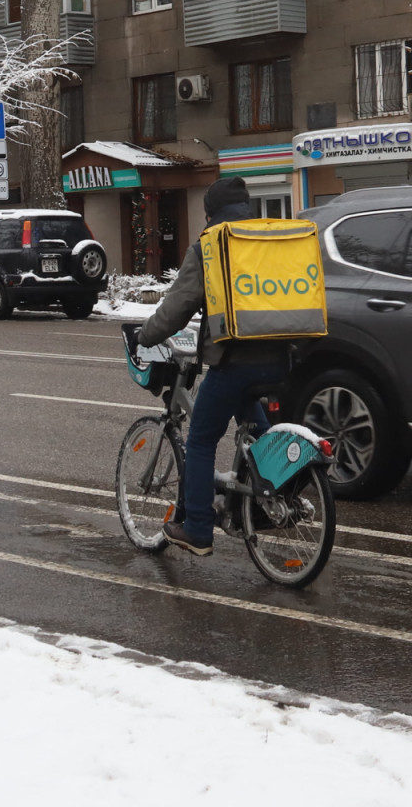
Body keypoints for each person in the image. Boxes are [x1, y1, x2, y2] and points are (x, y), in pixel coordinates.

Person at [135, 176, 293, 556]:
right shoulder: (266, 241)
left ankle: (198, 530)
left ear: (210, 213)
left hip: (234, 363)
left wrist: (146, 335)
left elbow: (178, 306)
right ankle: (265, 503)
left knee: (201, 440)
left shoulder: (212, 247)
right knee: (257, 431)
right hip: (280, 358)